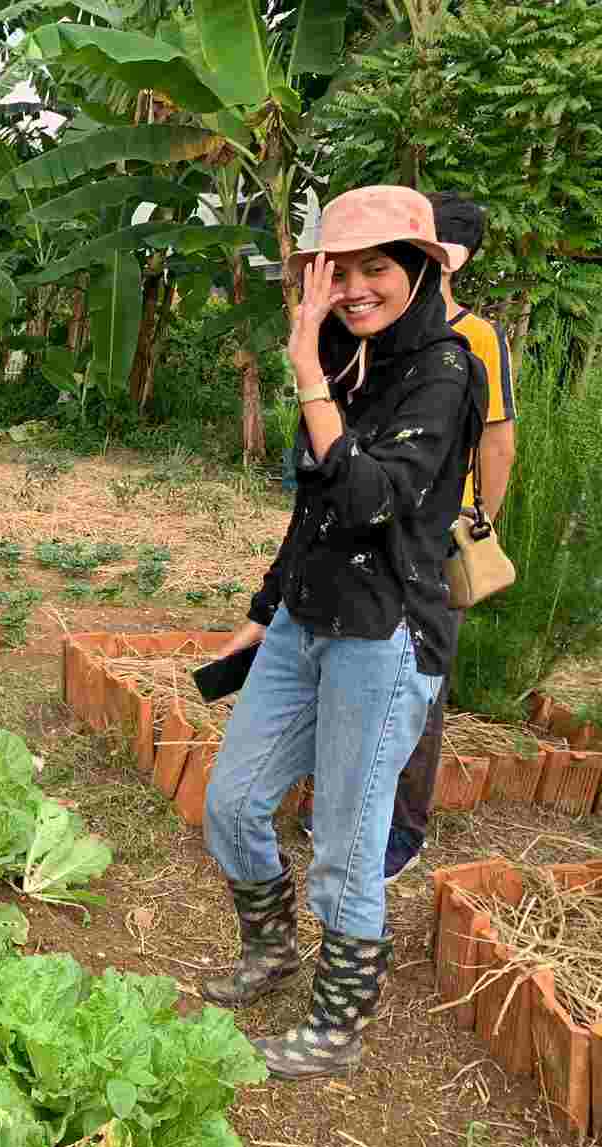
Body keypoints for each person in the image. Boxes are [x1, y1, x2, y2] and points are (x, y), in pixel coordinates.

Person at [200, 186, 486, 1079]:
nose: (358, 288)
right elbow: (314, 507)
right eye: (341, 270)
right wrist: (263, 609)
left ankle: (337, 1027)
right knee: (234, 804)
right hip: (306, 619)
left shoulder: (444, 369)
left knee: (349, 846)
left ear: (418, 272)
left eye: (377, 269)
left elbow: (369, 502)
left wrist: (310, 380)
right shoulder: (338, 356)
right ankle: (273, 949)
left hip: (386, 634)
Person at [385, 192, 517, 877]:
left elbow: (497, 441)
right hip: (376, 528)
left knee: (422, 680)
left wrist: (479, 519)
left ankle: (403, 830)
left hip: (437, 536)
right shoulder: (379, 325)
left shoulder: (477, 337)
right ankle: (352, 805)